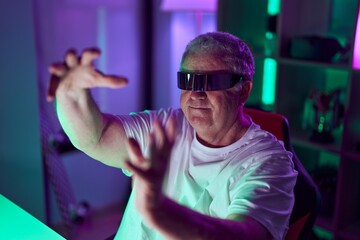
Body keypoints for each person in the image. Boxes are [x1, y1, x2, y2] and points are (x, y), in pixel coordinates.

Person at [48, 32, 297, 240]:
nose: (196, 94)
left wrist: (162, 212)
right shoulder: (166, 125)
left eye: (212, 82)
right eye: (187, 80)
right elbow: (97, 138)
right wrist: (71, 97)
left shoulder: (269, 162)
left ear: (243, 90)